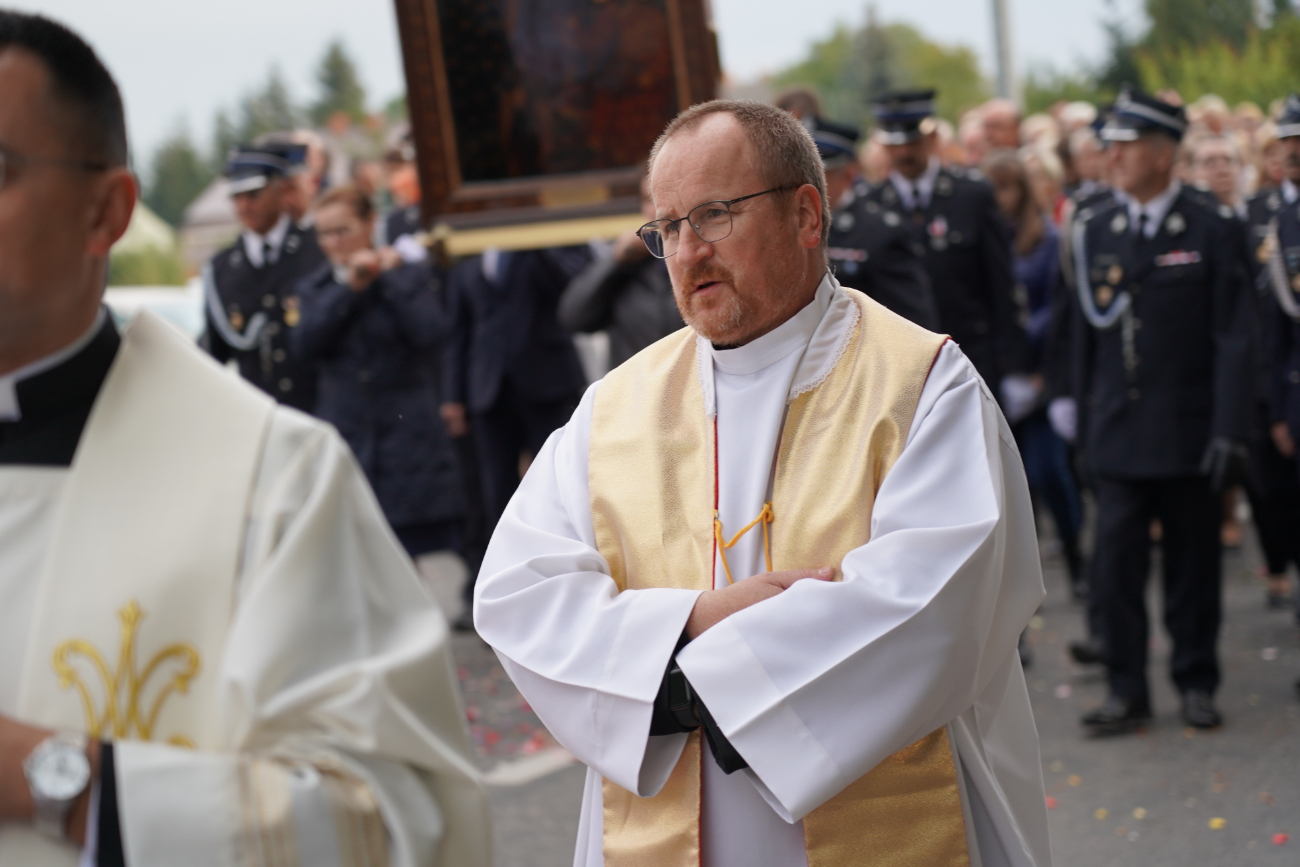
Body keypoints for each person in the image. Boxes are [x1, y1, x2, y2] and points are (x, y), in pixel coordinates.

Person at [475, 99, 1050, 867]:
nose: (686, 252)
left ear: (807, 215)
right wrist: (691, 625)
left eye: (713, 215)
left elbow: (933, 609)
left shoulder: (921, 384)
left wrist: (666, 673)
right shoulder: (615, 407)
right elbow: (519, 590)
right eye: (667, 227)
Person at [0, 12, 489, 867]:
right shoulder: (232, 275)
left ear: (104, 211)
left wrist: (67, 785)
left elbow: (397, 819)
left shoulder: (273, 479)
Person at [1068, 87, 1255, 735]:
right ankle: (1126, 689)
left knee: (1192, 566)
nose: (1111, 156)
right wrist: (1077, 414)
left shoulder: (1212, 226)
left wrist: (1232, 426)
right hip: (1118, 429)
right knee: (1114, 569)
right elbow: (1082, 331)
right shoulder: (1095, 227)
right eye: (1110, 145)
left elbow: (1235, 335)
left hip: (1189, 427)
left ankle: (1196, 679)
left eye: (1126, 146)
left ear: (1162, 154)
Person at [292, 185, 464, 563]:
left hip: (404, 434)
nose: (334, 242)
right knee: (356, 548)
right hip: (348, 431)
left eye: (343, 230)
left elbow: (431, 332)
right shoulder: (315, 286)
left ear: (370, 223)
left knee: (410, 547)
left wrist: (386, 277)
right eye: (324, 234)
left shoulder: (406, 276)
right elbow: (303, 345)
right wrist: (348, 290)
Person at [442, 244, 591, 625]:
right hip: (489, 392)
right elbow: (459, 330)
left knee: (559, 489)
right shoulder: (467, 257)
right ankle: (501, 592)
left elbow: (568, 291)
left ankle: (568, 588)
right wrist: (453, 396)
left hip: (546, 382)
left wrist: (534, 242)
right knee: (496, 495)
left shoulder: (539, 248)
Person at [865, 89, 1031, 405]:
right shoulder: (869, 206)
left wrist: (1016, 365)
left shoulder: (971, 195)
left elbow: (1001, 282)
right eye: (894, 145)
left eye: (911, 142)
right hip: (901, 373)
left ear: (930, 138)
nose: (903, 154)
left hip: (970, 359)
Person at [984, 149, 1084, 591]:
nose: (1001, 198)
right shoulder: (987, 236)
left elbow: (1053, 307)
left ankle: (1077, 554)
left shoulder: (1044, 236)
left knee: (1048, 473)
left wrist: (1029, 348)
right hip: (999, 372)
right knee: (1004, 486)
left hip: (1038, 372)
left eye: (1008, 187)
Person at [200, 144, 327, 412]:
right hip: (261, 419)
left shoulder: (318, 250)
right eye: (236, 197)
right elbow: (213, 356)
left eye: (254, 194)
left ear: (282, 191)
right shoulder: (221, 269)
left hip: (319, 411)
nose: (244, 206)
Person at [816, 119, 939, 329]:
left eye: (818, 176)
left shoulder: (881, 232)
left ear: (848, 174)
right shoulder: (791, 228)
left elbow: (911, 323)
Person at [559, 177, 684, 368]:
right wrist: (615, 261)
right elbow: (575, 317)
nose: (658, 210)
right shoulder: (628, 263)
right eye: (649, 200)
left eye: (665, 197)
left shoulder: (700, 256)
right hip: (634, 390)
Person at [1260, 95, 1300, 618]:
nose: (1292, 150)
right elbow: (1274, 326)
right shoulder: (1286, 219)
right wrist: (1278, 408)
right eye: (1288, 140)